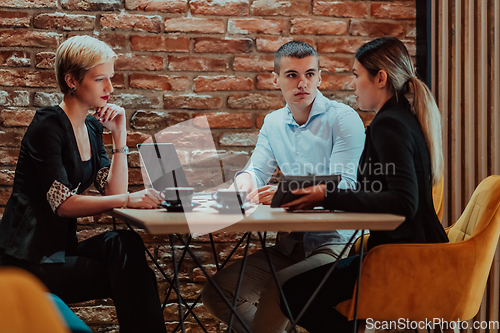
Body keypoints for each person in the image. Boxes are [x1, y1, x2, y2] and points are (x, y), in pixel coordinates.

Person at [278, 37, 449, 332]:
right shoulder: (401, 117)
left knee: (293, 295)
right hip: (408, 253)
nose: (353, 84)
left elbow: (403, 202)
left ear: (379, 78)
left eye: (357, 75)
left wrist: (326, 195)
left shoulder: (389, 124)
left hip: (402, 259)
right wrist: (325, 193)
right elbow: (384, 192)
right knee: (299, 293)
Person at [0, 35, 166, 333]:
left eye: (110, 79)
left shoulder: (90, 127)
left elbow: (113, 191)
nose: (110, 88)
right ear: (72, 80)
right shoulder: (47, 126)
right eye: (100, 79)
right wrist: (129, 200)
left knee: (125, 244)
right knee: (133, 277)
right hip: (27, 261)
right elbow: (63, 205)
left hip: (61, 252)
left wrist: (119, 136)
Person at [201, 41, 365, 333]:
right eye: (292, 75)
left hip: (338, 245)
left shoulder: (343, 119)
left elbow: (346, 185)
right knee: (218, 292)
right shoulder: (273, 122)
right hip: (291, 246)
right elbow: (255, 170)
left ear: (320, 77)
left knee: (279, 292)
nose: (302, 83)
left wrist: (284, 191)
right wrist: (242, 189)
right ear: (274, 79)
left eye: (310, 74)